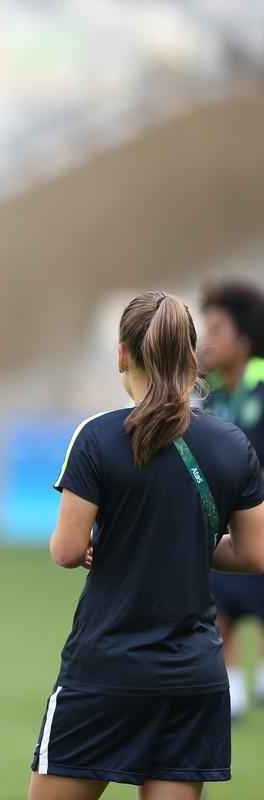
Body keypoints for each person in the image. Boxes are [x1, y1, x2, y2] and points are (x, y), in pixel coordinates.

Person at [28, 290, 264, 800]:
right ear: (189, 353)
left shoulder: (98, 437)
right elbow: (253, 554)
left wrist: (104, 539)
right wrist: (183, 542)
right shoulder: (230, 444)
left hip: (106, 668)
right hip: (193, 676)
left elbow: (68, 550)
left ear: (121, 353)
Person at [199, 279, 264, 719]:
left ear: (243, 337)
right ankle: (233, 684)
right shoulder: (210, 397)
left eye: (216, 329)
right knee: (217, 597)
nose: (207, 340)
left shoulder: (261, 381)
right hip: (228, 527)